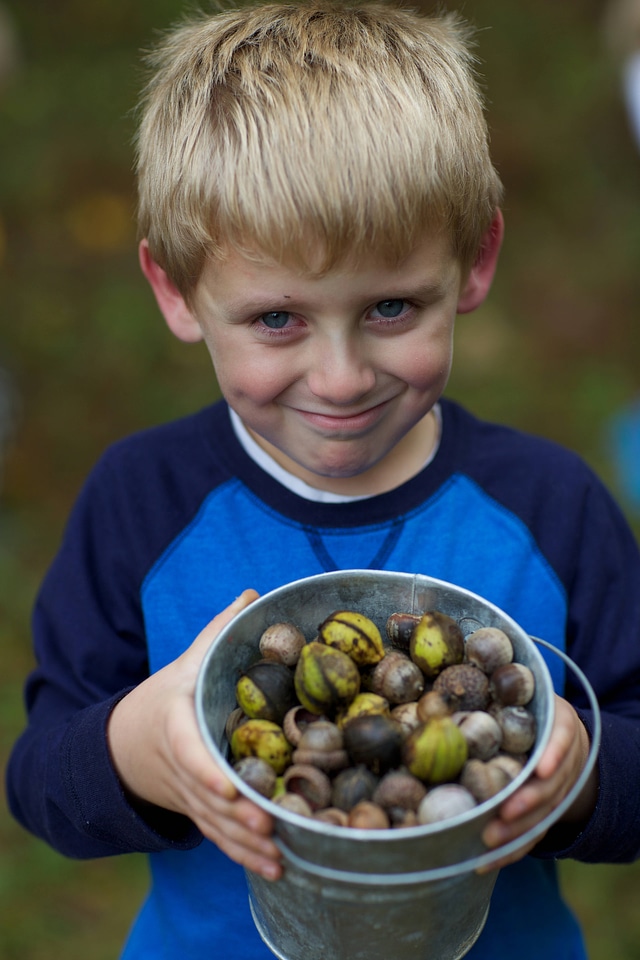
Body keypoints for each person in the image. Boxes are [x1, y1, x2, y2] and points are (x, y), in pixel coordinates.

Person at [6, 2, 640, 957]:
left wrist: (582, 772)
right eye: (276, 320)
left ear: (475, 264)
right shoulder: (140, 504)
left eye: (391, 306)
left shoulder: (551, 510)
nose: (341, 378)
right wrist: (141, 748)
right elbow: (42, 783)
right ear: (177, 293)